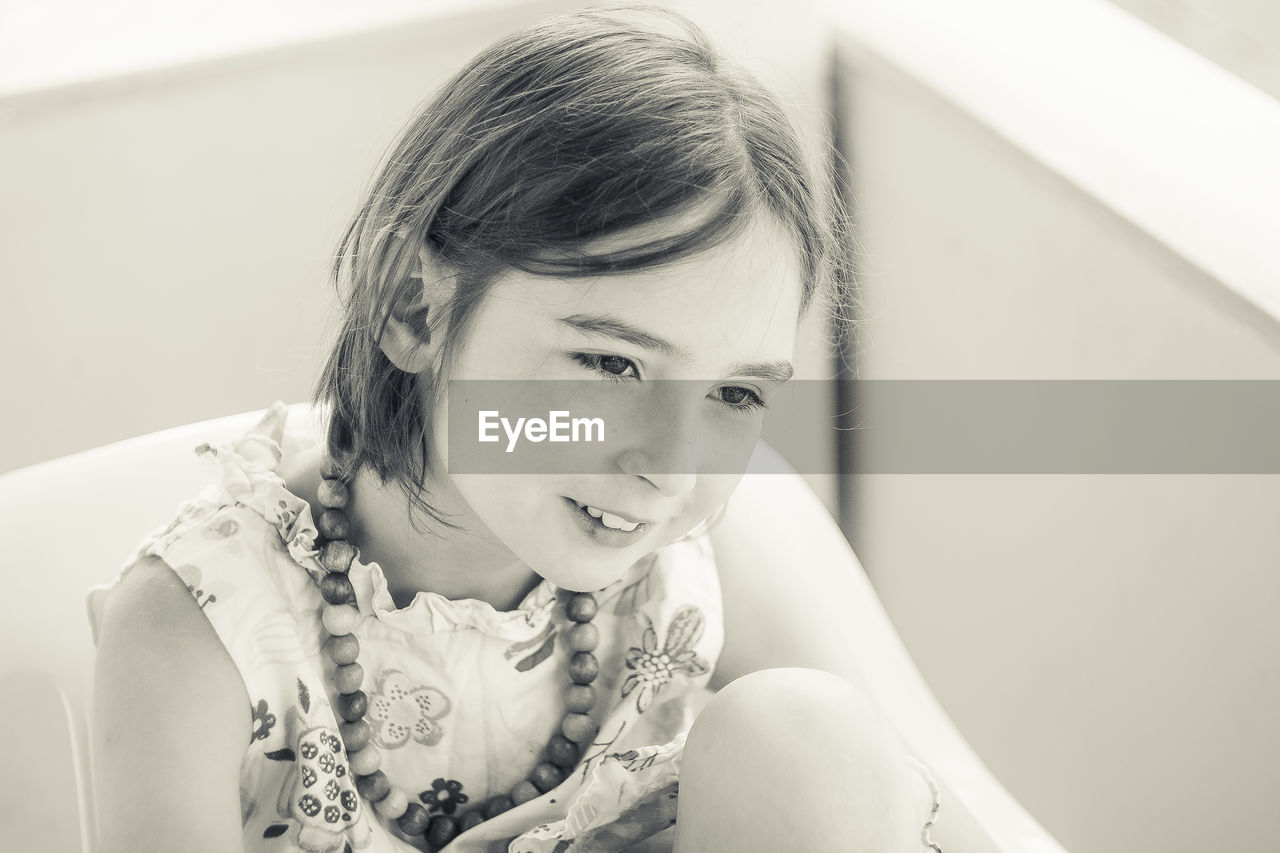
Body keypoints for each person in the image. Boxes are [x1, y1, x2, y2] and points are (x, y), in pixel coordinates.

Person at [89, 6, 999, 852]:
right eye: (612, 366)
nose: (669, 468)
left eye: (733, 394)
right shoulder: (197, 632)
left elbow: (920, 810)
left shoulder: (711, 553)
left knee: (806, 733)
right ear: (413, 305)